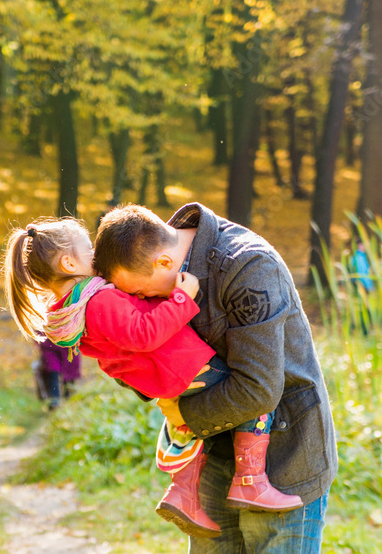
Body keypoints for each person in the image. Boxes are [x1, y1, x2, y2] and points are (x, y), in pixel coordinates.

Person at [3, 218, 302, 540]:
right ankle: (250, 481)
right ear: (69, 262)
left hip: (164, 377)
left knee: (188, 422)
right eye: (90, 249)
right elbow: (143, 335)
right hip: (184, 365)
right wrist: (182, 298)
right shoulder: (99, 301)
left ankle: (183, 490)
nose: (98, 255)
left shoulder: (73, 312)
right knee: (252, 396)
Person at [93, 204, 337, 553]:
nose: (141, 302)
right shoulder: (156, 263)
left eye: (142, 293)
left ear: (164, 263)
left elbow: (258, 388)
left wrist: (184, 415)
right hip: (213, 455)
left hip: (286, 455)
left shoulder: (249, 265)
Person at [33, 336, 81, 410]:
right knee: (52, 370)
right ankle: (54, 401)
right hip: (48, 343)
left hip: (69, 341)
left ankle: (69, 399)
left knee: (69, 371)